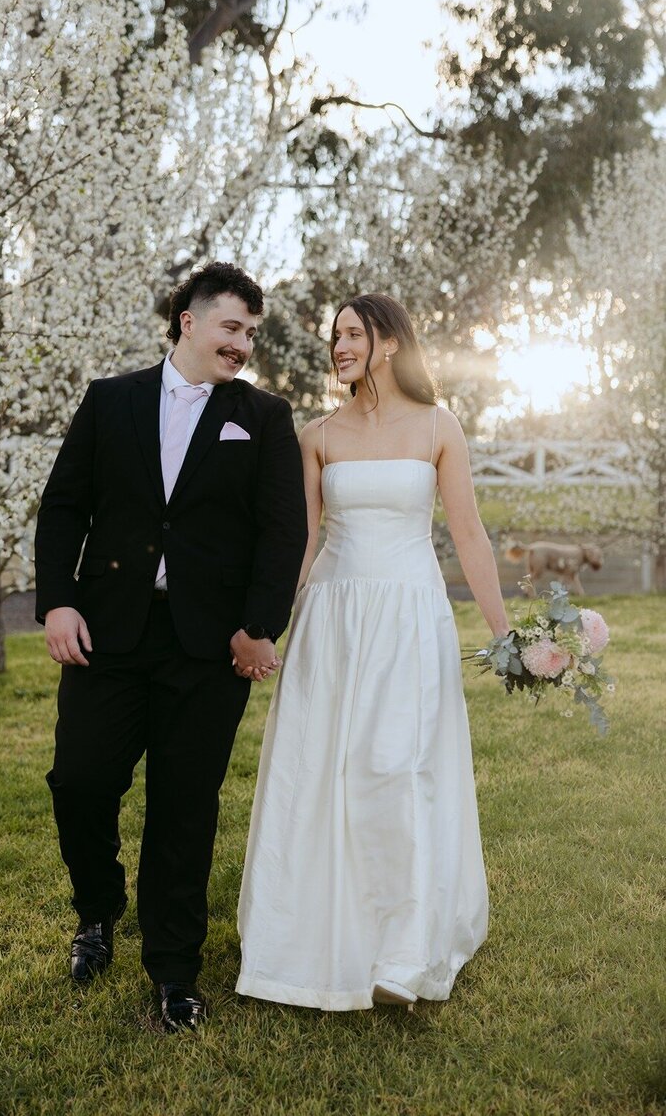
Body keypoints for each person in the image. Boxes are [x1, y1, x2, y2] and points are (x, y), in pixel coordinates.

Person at [34, 262, 307, 1032]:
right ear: (188, 320)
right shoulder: (110, 400)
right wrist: (57, 599)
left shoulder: (265, 416)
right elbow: (64, 506)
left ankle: (174, 970)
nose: (244, 344)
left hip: (208, 647)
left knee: (184, 808)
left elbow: (282, 531)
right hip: (108, 632)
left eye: (252, 333)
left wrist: (258, 626)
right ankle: (97, 909)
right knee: (79, 780)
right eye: (232, 327)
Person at [236, 293, 510, 1011]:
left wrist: (503, 631)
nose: (340, 345)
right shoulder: (318, 435)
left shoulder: (439, 426)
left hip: (412, 615)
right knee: (326, 770)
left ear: (389, 343)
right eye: (336, 336)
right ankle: (311, 936)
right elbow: (298, 542)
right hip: (334, 616)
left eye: (353, 333)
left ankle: (405, 950)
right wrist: (265, 624)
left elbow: (470, 535)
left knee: (399, 766)